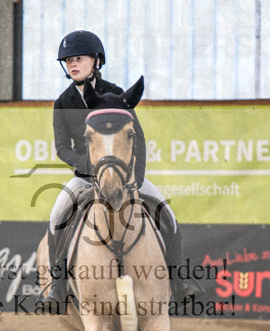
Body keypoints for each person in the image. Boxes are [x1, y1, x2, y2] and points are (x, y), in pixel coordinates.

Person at [43, 30, 199, 314]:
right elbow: (62, 148)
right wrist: (89, 165)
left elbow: (136, 138)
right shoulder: (63, 103)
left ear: (96, 61)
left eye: (78, 59)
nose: (72, 65)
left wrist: (136, 180)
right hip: (85, 176)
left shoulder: (116, 95)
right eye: (67, 61)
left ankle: (179, 281)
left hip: (125, 177)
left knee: (167, 213)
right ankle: (58, 286)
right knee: (56, 218)